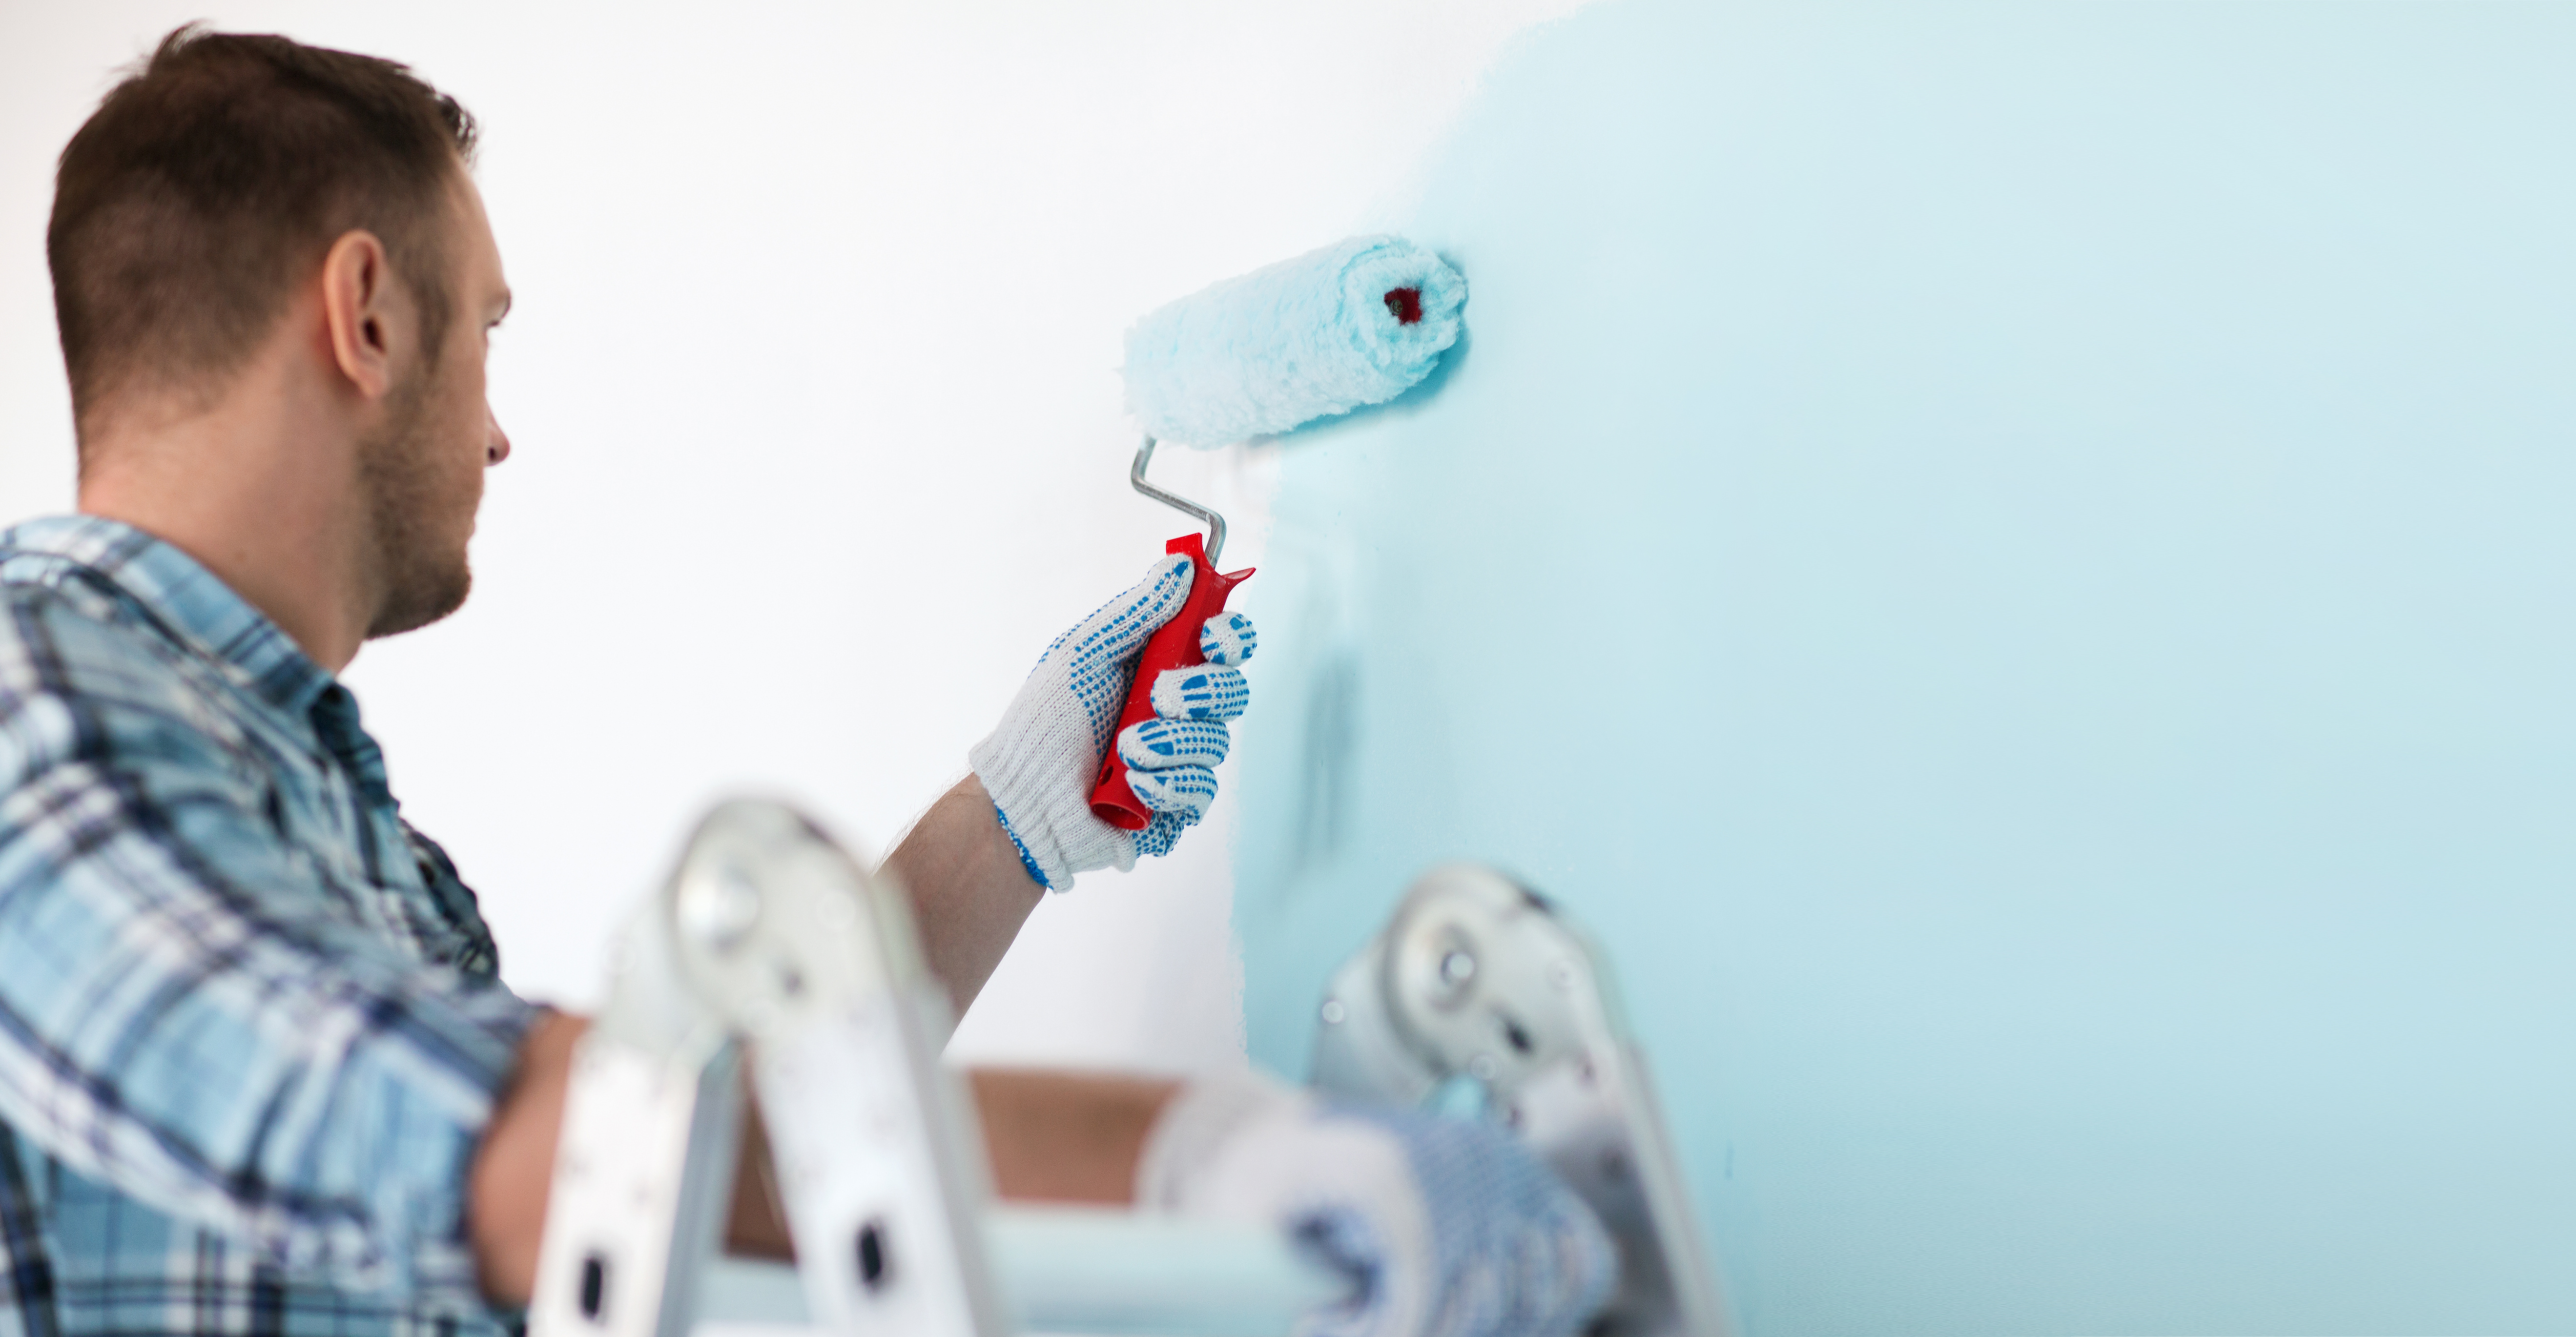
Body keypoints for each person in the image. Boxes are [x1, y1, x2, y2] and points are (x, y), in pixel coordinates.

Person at [0, 26, 1610, 1337]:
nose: (498, 431)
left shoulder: (318, 820)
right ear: (364, 316)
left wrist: (1023, 806)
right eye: (485, 334)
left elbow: (690, 1162)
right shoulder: (26, 707)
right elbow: (560, 1157)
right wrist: (1226, 1162)